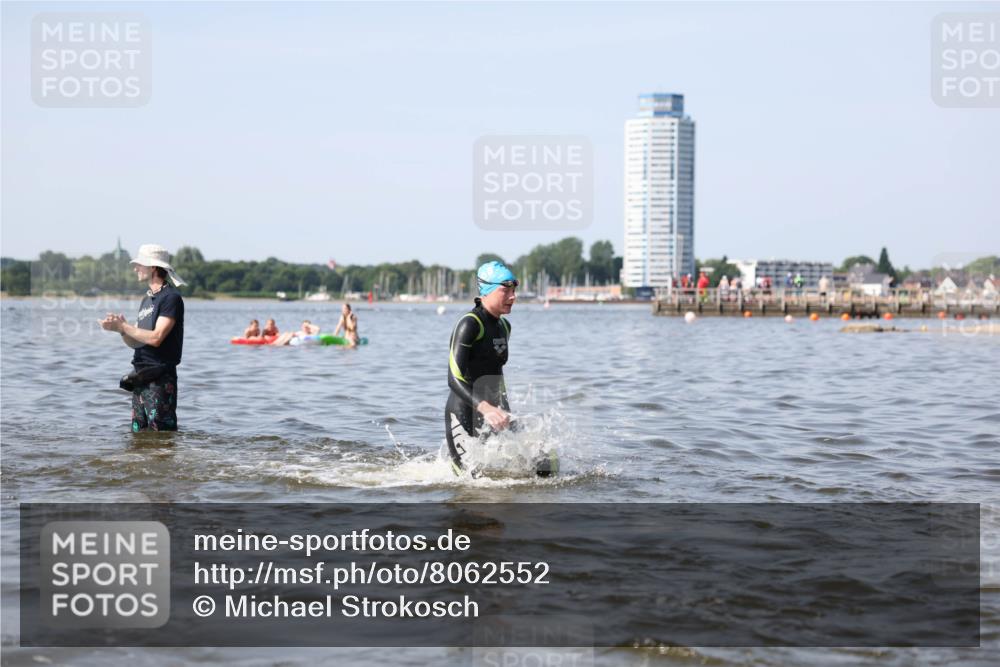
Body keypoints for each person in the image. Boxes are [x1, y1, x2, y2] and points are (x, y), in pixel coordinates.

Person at [99, 244, 185, 432]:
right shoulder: (147, 300)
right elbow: (137, 341)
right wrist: (121, 330)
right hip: (140, 376)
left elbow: (156, 338)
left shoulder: (171, 298)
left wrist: (125, 326)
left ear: (153, 267)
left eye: (139, 264)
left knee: (160, 435)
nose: (135, 268)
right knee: (138, 436)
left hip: (160, 378)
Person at [445, 261, 517, 475]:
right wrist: (485, 408)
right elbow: (454, 378)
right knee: (472, 481)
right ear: (486, 290)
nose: (513, 296)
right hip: (464, 411)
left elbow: (497, 372)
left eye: (514, 290)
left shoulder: (504, 326)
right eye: (505, 290)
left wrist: (504, 410)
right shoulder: (469, 324)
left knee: (542, 461)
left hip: (493, 411)